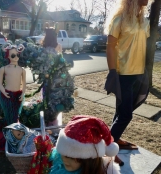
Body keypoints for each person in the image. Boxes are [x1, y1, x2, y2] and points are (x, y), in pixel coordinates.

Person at [104, 0, 152, 164]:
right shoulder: (119, 19)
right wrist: (112, 72)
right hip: (123, 74)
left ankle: (113, 139)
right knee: (126, 114)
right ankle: (107, 149)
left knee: (121, 110)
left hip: (139, 74)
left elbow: (142, 45)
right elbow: (110, 46)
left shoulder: (144, 21)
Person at [49, 115, 120, 174]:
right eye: (63, 153)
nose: (65, 160)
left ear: (87, 160)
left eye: (72, 157)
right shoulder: (57, 163)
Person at [0, 43, 26, 125]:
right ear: (8, 56)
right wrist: (4, 92)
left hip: (18, 95)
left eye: (17, 55)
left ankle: (14, 130)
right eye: (13, 55)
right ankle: (9, 130)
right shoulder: (3, 69)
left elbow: (24, 84)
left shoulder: (22, 70)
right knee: (8, 115)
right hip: (7, 95)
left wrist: (23, 94)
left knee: (16, 115)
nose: (16, 57)